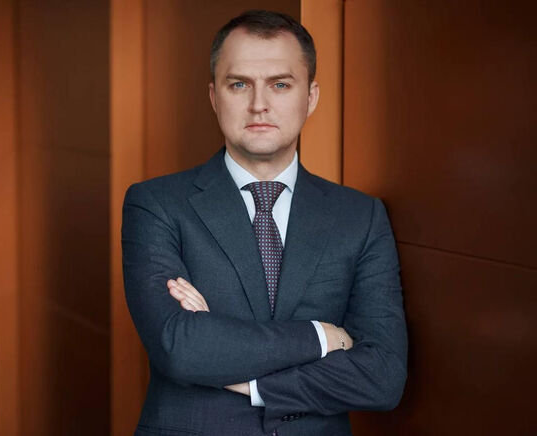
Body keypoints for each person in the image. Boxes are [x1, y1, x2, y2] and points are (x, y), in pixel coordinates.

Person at [122, 9, 407, 436]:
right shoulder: (156, 204)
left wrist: (254, 382)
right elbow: (180, 347)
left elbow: (382, 376)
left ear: (311, 97)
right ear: (214, 96)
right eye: (239, 84)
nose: (259, 104)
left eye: (280, 84)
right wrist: (322, 337)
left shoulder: (360, 217)